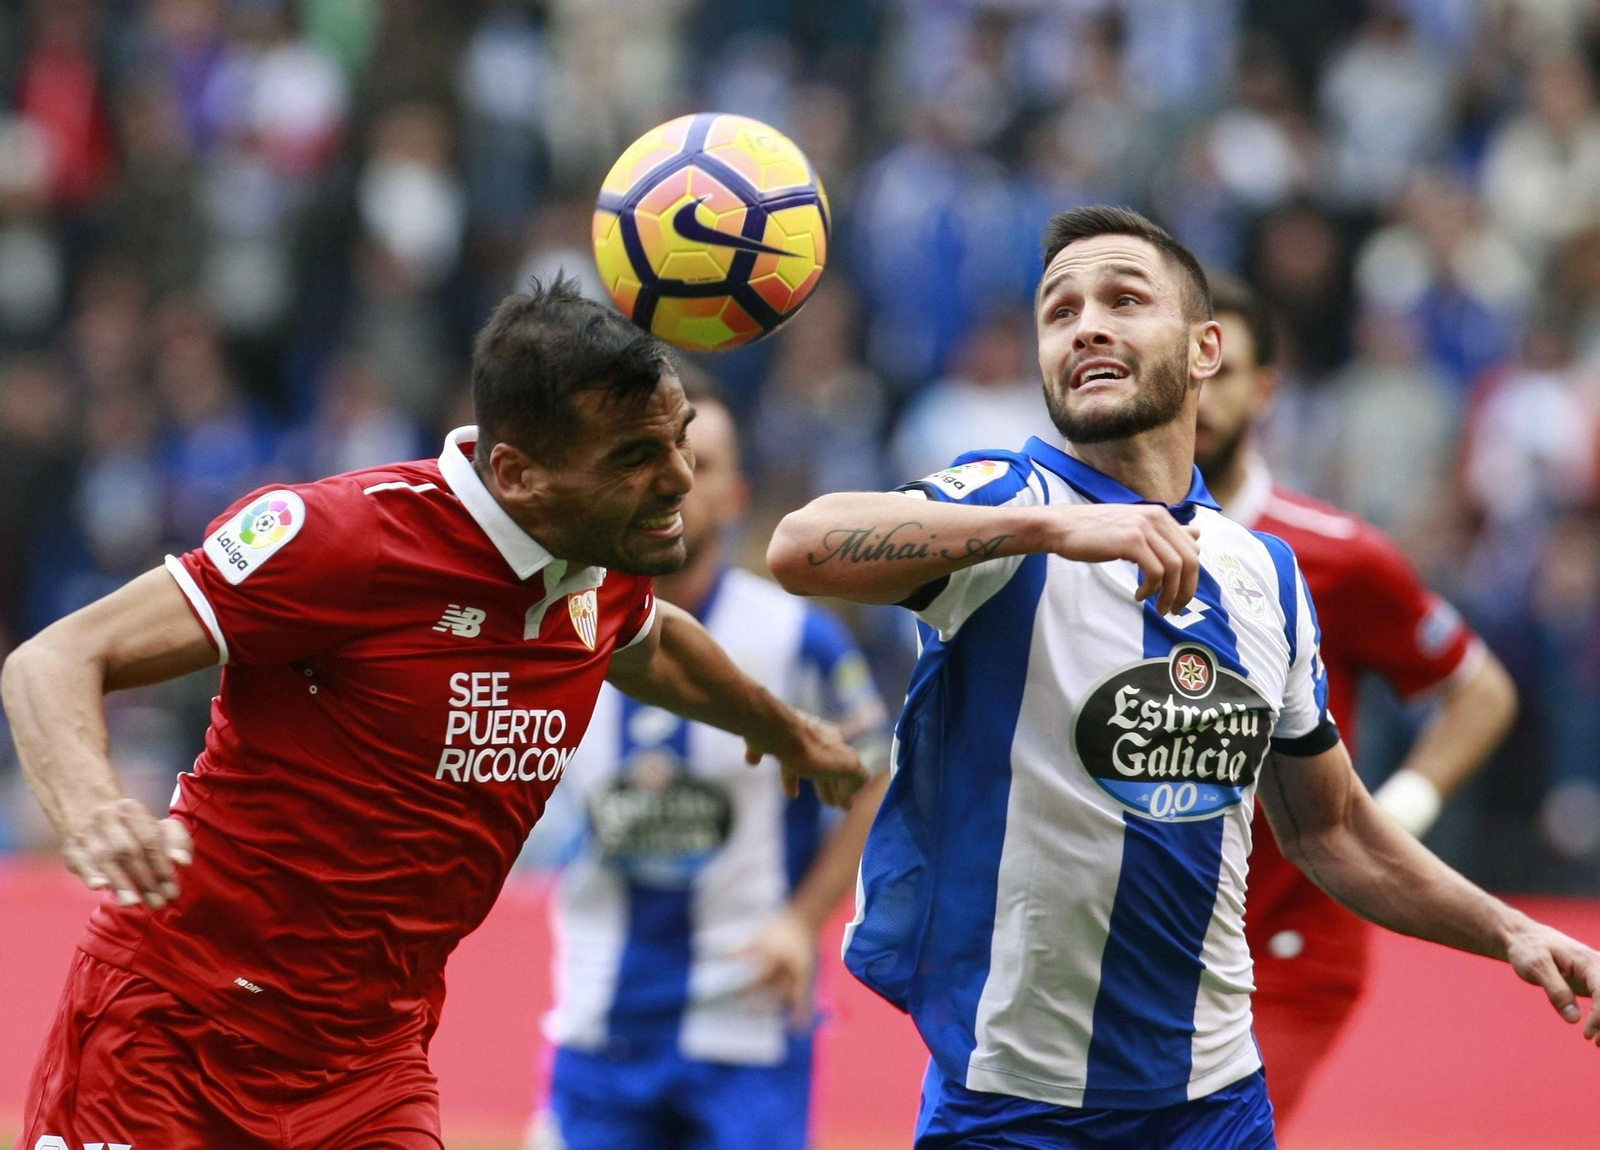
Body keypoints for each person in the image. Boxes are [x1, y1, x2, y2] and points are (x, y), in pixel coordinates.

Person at [767, 206, 1600, 1150]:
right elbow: (802, 545)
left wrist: (1513, 934)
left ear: (1207, 350)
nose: (1086, 324)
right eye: (1059, 311)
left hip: (1214, 1101)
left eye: (1124, 299)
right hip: (1014, 1106)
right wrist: (1053, 529)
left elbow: (1332, 831)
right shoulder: (1008, 501)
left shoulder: (1267, 576)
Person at [1, 276, 868, 1150]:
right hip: (174, 1035)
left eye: (679, 443)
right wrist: (92, 808)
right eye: (635, 457)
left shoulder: (600, 561)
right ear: (517, 474)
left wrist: (784, 730)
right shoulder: (338, 538)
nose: (680, 480)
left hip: (370, 1064)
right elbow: (54, 658)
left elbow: (655, 645)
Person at [530, 380, 892, 1150]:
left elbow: (875, 776)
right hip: (600, 1016)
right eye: (652, 460)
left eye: (702, 463)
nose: (676, 482)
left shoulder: (799, 637)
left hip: (746, 1021)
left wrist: (803, 924)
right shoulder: (563, 630)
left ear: (735, 495)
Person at [1194, 273, 1519, 1121]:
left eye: (1221, 369)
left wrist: (1406, 801)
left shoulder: (1336, 555)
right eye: (1182, 367)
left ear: (1266, 390)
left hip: (1287, 945)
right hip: (1137, 944)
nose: (1198, 393)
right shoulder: (1090, 538)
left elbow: (1479, 691)